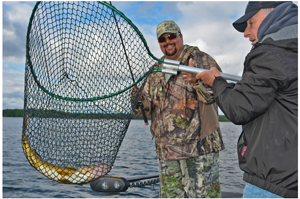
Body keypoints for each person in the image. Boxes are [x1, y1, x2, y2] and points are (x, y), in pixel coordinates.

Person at [193, 1, 298, 198]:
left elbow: (238, 108)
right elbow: (258, 96)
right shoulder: (291, 48)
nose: (246, 33)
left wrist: (215, 82)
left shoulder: (271, 52)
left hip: (273, 182)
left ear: (272, 15)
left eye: (251, 23)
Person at [132, 20, 225, 198]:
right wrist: (137, 100)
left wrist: (196, 81)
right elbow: (141, 112)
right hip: (166, 153)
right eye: (162, 39)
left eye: (172, 36)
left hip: (198, 150)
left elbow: (219, 94)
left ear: (180, 37)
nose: (168, 41)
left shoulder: (200, 59)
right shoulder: (155, 70)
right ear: (159, 43)